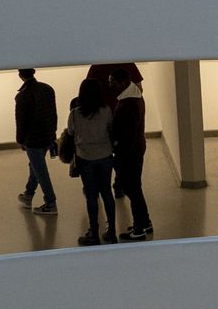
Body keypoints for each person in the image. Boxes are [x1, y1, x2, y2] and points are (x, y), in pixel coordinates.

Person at [67, 75, 117, 245]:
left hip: (85, 157)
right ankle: (112, 232)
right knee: (107, 193)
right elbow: (111, 129)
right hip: (104, 156)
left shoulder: (75, 114)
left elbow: (71, 133)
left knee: (91, 196)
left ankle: (94, 233)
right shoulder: (106, 110)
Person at [109, 67, 153, 241]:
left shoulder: (128, 104)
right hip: (136, 148)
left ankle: (139, 228)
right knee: (135, 188)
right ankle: (144, 222)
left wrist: (118, 153)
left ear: (123, 82)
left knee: (132, 189)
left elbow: (127, 135)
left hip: (130, 152)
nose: (110, 85)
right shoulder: (135, 97)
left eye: (112, 82)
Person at [14, 69, 58, 214]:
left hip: (33, 139)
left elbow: (21, 121)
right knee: (35, 165)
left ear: (20, 75)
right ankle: (28, 194)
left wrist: (20, 140)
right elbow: (53, 113)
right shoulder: (47, 89)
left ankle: (50, 203)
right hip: (47, 136)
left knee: (40, 170)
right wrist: (53, 133)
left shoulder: (22, 96)